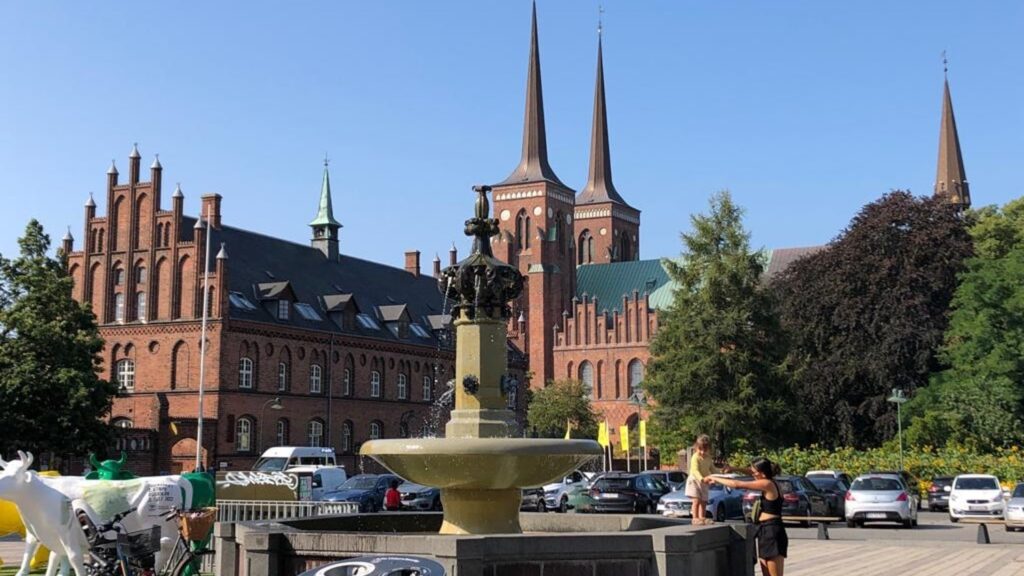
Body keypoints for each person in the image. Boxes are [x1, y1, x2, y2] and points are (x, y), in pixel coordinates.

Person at [705, 457, 787, 576]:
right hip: (764, 529)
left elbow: (737, 484)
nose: (752, 474)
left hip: (773, 530)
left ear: (762, 473)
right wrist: (734, 469)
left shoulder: (767, 483)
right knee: (766, 572)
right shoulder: (767, 479)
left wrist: (714, 477)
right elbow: (750, 471)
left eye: (754, 472)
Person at [684, 434, 731, 524]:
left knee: (704, 501)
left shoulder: (708, 458)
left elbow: (713, 469)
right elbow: (695, 470)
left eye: (705, 450)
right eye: (700, 449)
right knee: (696, 500)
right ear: (696, 448)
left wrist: (722, 473)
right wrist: (702, 479)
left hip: (705, 482)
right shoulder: (695, 457)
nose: (702, 452)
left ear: (709, 449)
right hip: (694, 481)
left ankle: (702, 517)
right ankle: (695, 518)